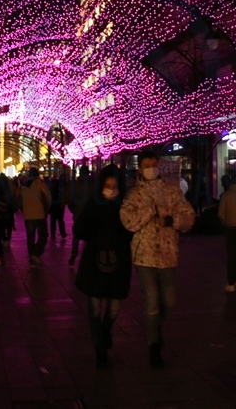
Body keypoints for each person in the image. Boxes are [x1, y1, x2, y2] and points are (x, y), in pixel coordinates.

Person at [120, 150, 195, 369]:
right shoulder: (134, 195)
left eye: (154, 164)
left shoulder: (171, 192)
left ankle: (155, 325)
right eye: (147, 165)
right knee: (151, 299)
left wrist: (173, 220)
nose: (151, 168)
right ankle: (154, 345)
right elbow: (128, 222)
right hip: (144, 255)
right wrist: (148, 213)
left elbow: (189, 217)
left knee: (169, 300)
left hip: (168, 253)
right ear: (141, 169)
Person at [75, 165, 132, 368]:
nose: (110, 189)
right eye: (107, 186)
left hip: (119, 262)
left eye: (114, 186)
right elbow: (79, 229)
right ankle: (99, 346)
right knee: (94, 308)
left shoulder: (125, 206)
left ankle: (105, 331)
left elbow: (131, 230)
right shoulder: (93, 205)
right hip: (95, 262)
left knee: (114, 307)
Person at [18, 167, 51, 266]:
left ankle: (32, 257)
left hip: (28, 216)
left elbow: (19, 200)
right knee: (43, 235)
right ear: (37, 174)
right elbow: (49, 198)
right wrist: (47, 210)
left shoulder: (22, 186)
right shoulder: (40, 184)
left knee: (30, 237)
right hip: (39, 214)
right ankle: (36, 253)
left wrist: (24, 209)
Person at [48, 172, 67, 239]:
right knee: (60, 219)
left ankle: (54, 233)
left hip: (55, 203)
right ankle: (62, 233)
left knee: (54, 220)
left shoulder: (56, 184)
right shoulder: (64, 185)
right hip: (58, 204)